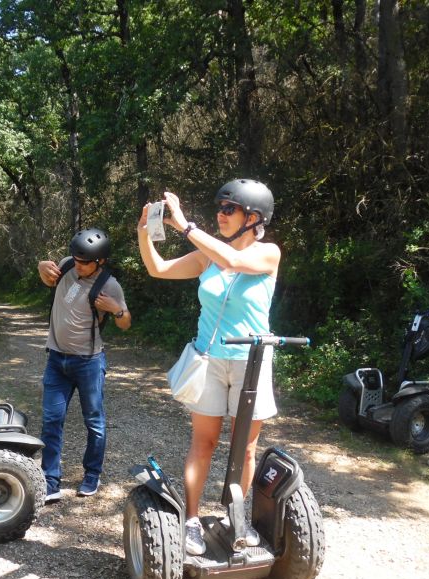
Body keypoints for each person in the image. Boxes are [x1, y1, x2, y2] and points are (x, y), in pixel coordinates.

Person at [136, 179, 281, 555]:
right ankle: (192, 521)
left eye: (229, 209)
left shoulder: (268, 254)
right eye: (219, 207)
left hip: (252, 362)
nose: (221, 214)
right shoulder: (207, 256)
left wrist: (185, 223)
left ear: (254, 218)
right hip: (209, 360)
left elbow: (233, 260)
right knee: (204, 442)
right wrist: (144, 234)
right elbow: (159, 269)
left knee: (245, 449)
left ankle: (237, 517)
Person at [37, 228, 131, 503]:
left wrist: (117, 310)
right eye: (76, 260)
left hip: (88, 363)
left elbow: (125, 324)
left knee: (94, 422)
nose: (78, 265)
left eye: (84, 262)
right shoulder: (68, 265)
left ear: (99, 261)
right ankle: (50, 481)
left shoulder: (109, 285)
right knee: (51, 421)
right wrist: (41, 265)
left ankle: (92, 474)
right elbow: (48, 278)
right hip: (56, 359)